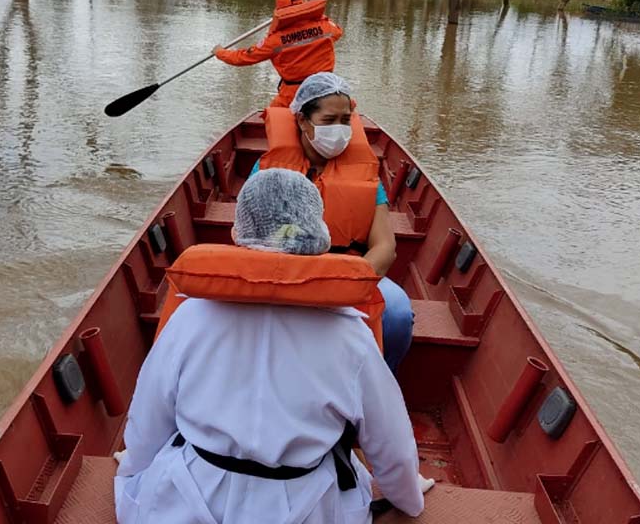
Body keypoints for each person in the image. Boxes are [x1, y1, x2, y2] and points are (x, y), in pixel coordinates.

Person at [115, 168, 433, 524]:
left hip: (185, 501)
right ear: (321, 238)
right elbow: (390, 444)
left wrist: (132, 473)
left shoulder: (191, 316)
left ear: (238, 234)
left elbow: (149, 419)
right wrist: (408, 500)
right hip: (306, 507)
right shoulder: (350, 334)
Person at [252, 72, 414, 374]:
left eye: (346, 119)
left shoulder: (365, 174)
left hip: (350, 269)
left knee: (397, 314)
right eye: (329, 121)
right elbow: (256, 237)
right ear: (302, 120)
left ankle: (375, 381)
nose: (339, 129)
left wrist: (346, 286)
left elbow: (385, 247)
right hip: (284, 269)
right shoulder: (268, 169)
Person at [212, 0, 343, 108]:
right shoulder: (326, 27)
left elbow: (244, 58)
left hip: (292, 95)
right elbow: (338, 31)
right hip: (326, 88)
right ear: (302, 3)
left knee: (271, 118)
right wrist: (311, 13)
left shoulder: (274, 40)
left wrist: (220, 52)